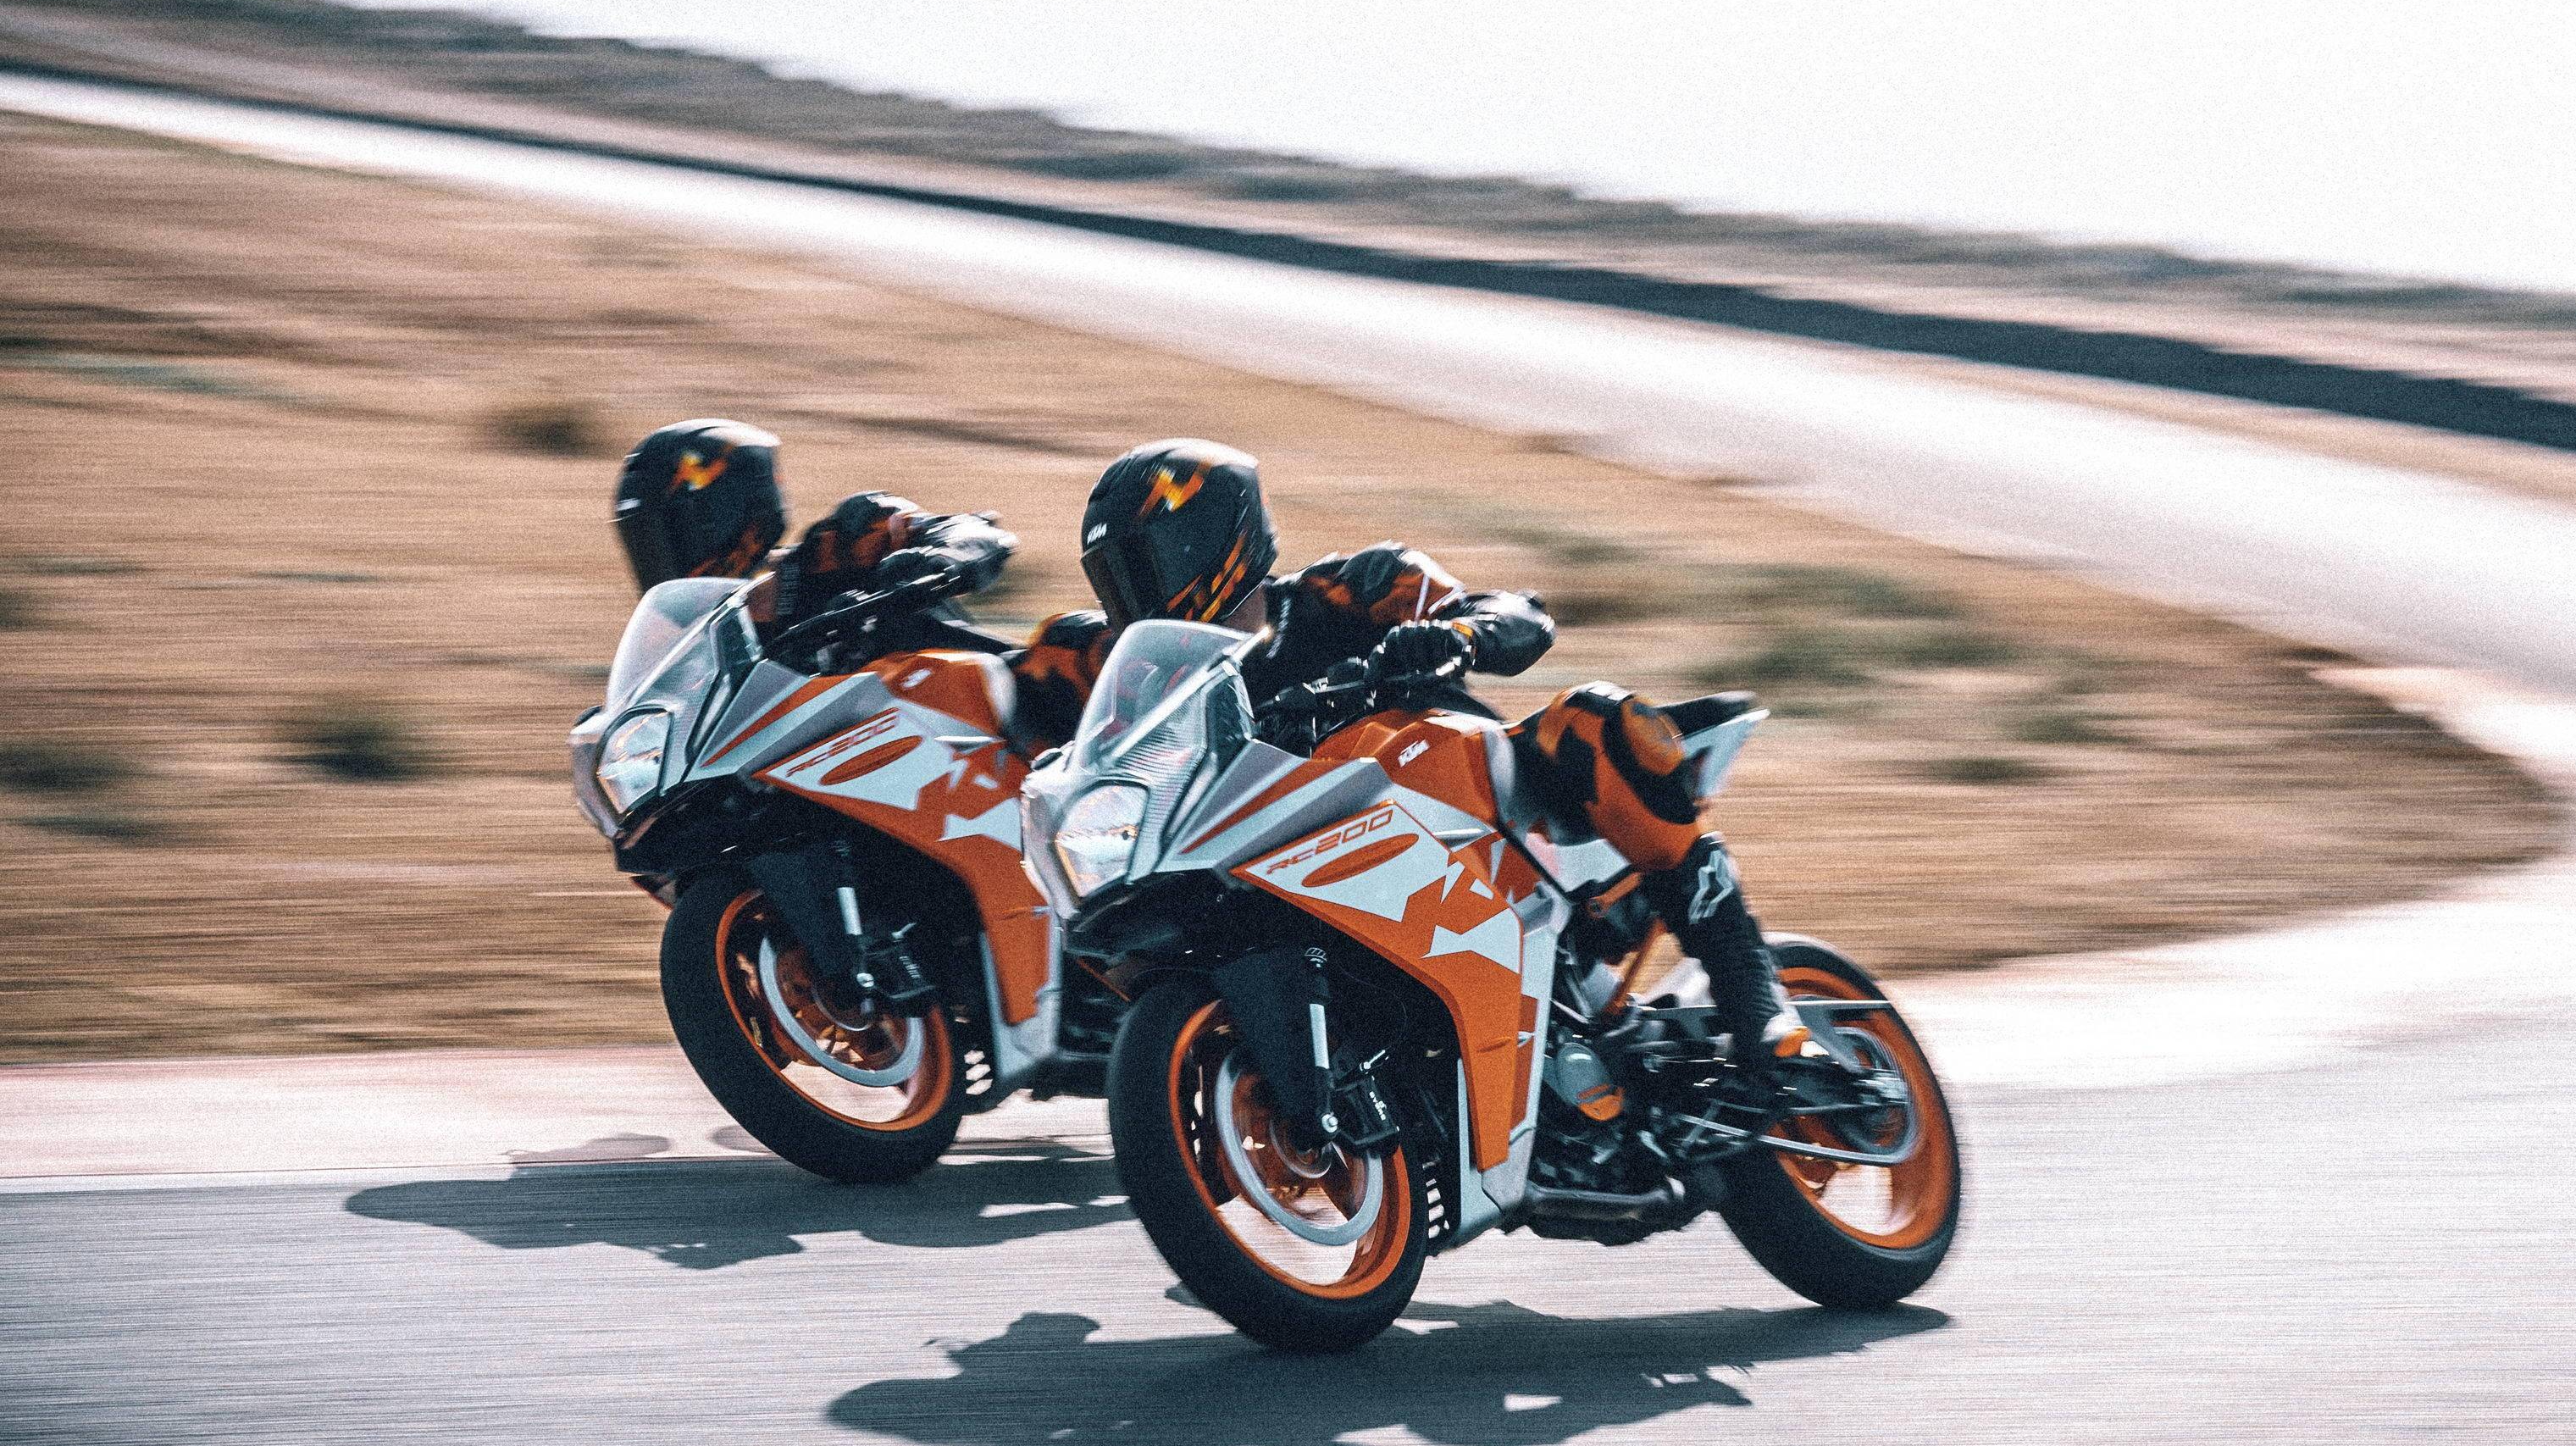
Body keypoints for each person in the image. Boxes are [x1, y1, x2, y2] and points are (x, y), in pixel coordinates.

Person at [1017, 436, 1820, 1071]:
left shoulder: (1346, 591)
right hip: (1319, 875)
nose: (1132, 591)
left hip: (1480, 815)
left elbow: (1519, 615)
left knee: (1592, 719)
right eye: (1115, 578)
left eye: (1144, 563)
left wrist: (1457, 633)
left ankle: (1758, 1001)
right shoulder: (1159, 684)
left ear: (1209, 537)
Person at [611, 417, 1020, 661]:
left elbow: (970, 529)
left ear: (723, 513)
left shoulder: (838, 546)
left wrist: (937, 563)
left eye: (663, 536)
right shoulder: (684, 649)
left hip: (965, 716)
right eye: (642, 543)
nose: (655, 556)